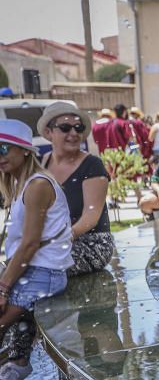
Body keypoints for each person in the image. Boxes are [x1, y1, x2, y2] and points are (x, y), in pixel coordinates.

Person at [0, 120, 73, 380]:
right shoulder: (21, 185)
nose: (0, 156)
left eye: (5, 148)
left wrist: (3, 287)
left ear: (25, 150)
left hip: (44, 275)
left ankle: (18, 363)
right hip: (33, 272)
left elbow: (30, 244)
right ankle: (16, 361)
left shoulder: (37, 185)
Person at [37, 102, 115, 275]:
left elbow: (91, 217)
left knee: (34, 266)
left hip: (92, 243)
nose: (73, 133)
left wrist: (55, 240)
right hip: (52, 242)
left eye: (78, 128)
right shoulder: (41, 164)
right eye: (65, 128)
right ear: (49, 133)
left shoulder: (92, 165)